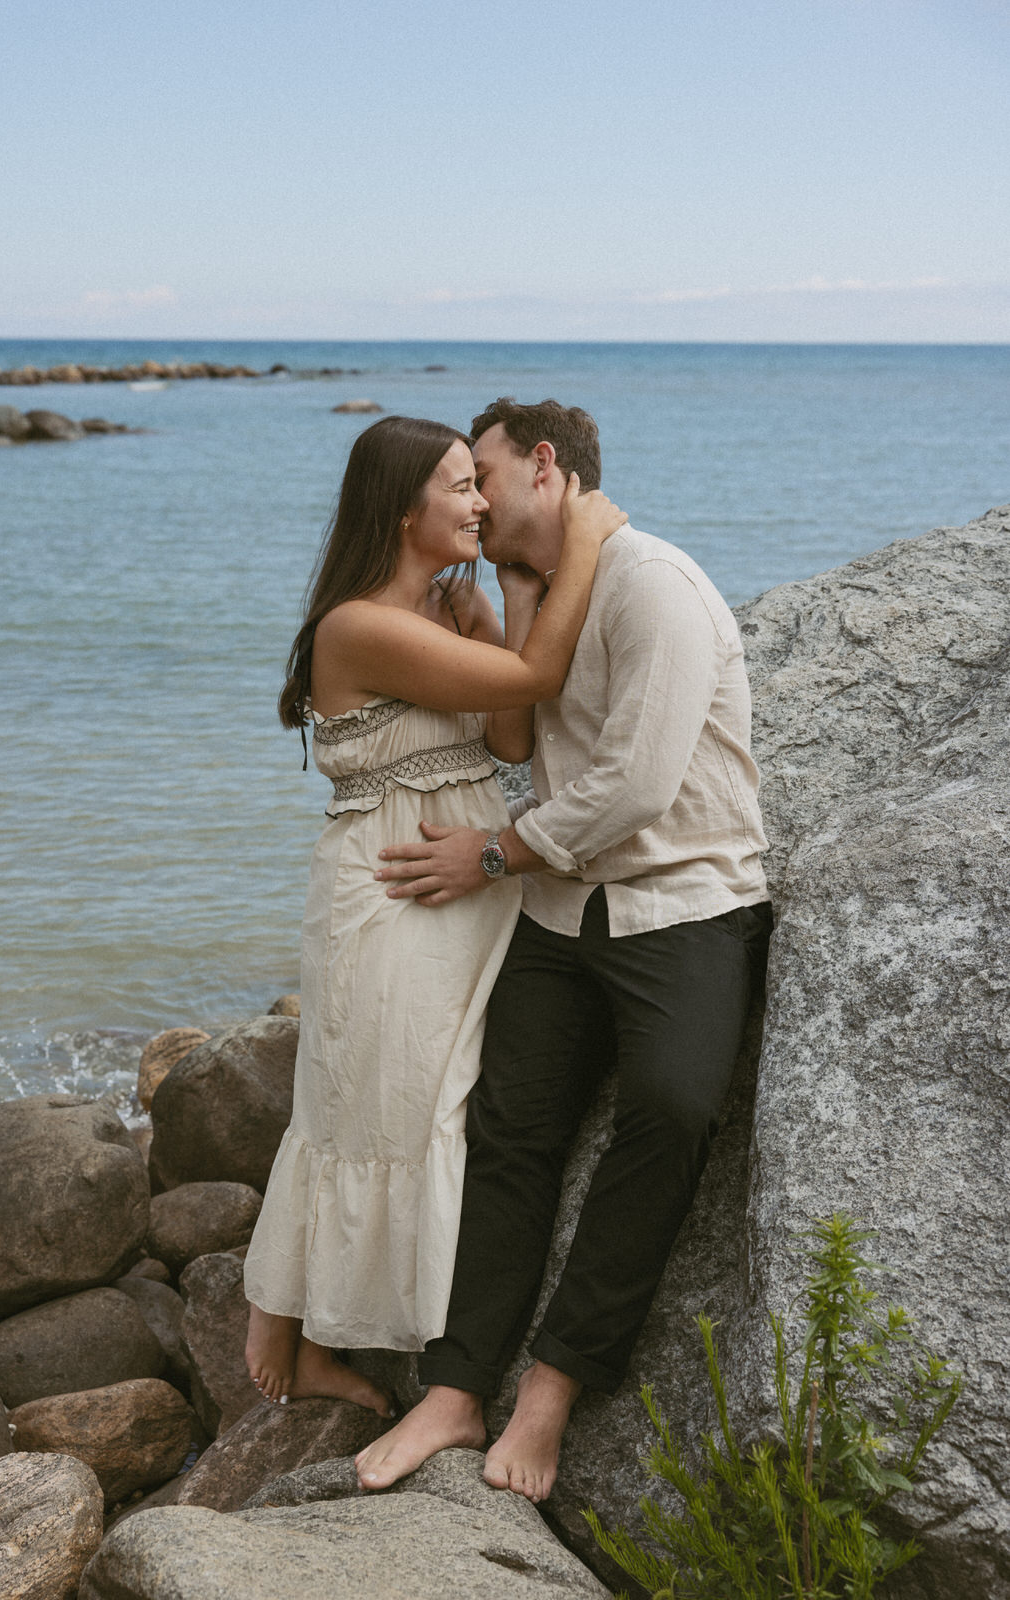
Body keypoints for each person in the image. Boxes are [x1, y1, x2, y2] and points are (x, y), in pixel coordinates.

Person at [357, 397, 772, 1498]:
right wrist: (493, 619)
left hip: (680, 898)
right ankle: (452, 1390)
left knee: (676, 1110)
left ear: (545, 467)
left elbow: (635, 785)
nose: (472, 498)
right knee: (509, 1126)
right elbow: (513, 727)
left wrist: (492, 853)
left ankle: (548, 1391)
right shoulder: (530, 585)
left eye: (481, 474)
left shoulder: (654, 584)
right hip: (556, 913)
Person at [243, 414, 624, 1414]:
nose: (479, 503)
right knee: (374, 1102)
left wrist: (501, 600)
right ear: (400, 506)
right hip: (393, 889)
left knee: (420, 1099)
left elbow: (505, 731)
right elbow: (538, 682)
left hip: (459, 883)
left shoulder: (438, 614)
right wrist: (581, 540)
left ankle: (313, 1318)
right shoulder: (359, 627)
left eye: (477, 485)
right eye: (459, 488)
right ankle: (301, 1327)